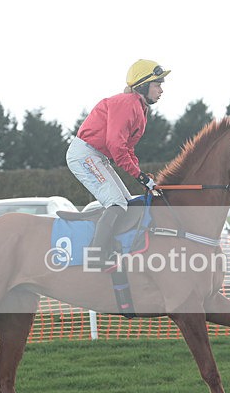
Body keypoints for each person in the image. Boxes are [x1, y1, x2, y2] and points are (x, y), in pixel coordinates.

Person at [66, 59, 170, 267]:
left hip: (96, 155)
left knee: (128, 203)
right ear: (143, 85)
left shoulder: (139, 108)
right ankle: (95, 257)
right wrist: (139, 176)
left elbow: (127, 149)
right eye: (157, 85)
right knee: (117, 204)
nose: (161, 90)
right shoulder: (128, 104)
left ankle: (116, 247)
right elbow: (116, 147)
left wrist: (141, 174)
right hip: (85, 154)